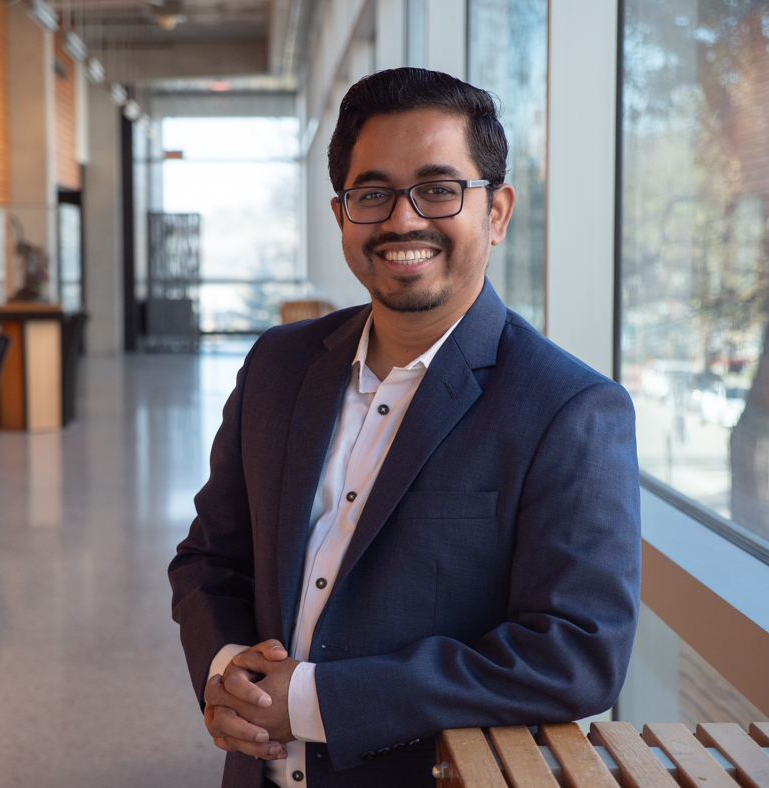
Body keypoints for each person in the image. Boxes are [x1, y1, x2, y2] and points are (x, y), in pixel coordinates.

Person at [168, 67, 641, 788]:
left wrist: (309, 700)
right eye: (373, 193)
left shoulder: (568, 408)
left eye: (439, 188)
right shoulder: (276, 365)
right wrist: (229, 668)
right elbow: (211, 559)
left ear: (498, 211)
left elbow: (576, 656)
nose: (402, 220)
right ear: (341, 216)